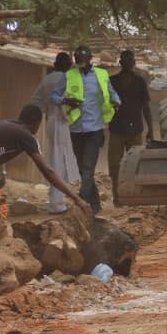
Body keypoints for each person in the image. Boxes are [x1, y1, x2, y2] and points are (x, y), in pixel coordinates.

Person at [0, 104, 91, 220]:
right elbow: (48, 172)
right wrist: (77, 199)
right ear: (36, 123)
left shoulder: (8, 125)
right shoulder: (25, 135)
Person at [51, 45, 121, 213]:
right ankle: (95, 205)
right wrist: (66, 101)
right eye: (78, 61)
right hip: (76, 129)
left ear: (90, 59)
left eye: (84, 61)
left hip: (95, 128)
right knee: (83, 169)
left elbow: (113, 94)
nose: (81, 64)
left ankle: (81, 203)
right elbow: (54, 96)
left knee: (88, 167)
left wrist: (116, 102)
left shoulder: (101, 75)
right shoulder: (69, 76)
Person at [31, 52, 80, 214]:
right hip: (63, 122)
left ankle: (58, 201)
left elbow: (36, 101)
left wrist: (45, 112)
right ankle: (57, 204)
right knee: (59, 161)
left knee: (56, 159)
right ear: (68, 65)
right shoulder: (67, 79)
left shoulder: (47, 79)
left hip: (52, 121)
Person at [107, 50, 154, 207]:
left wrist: (151, 129)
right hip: (116, 129)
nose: (128, 62)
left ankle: (135, 198)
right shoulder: (112, 81)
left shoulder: (140, 82)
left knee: (136, 165)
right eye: (125, 60)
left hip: (135, 129)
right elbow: (104, 105)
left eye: (130, 60)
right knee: (115, 166)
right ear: (120, 62)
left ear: (134, 63)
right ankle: (117, 198)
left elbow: (146, 107)